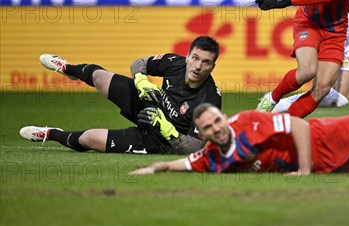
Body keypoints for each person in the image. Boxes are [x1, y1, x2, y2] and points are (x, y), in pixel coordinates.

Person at [129, 37, 349, 175]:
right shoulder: (213, 156)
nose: (217, 127)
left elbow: (300, 126)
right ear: (203, 133)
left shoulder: (247, 123)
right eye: (210, 128)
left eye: (218, 120)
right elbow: (181, 164)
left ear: (223, 116)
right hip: (325, 164)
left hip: (326, 137)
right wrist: (152, 169)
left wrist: (303, 171)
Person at [19, 36, 222, 155]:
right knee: (99, 77)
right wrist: (141, 80)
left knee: (89, 139)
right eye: (195, 58)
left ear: (213, 66)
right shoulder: (174, 63)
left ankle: (50, 134)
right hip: (147, 104)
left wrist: (167, 129)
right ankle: (68, 68)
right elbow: (138, 63)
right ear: (187, 57)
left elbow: (195, 147)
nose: (198, 66)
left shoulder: (210, 101)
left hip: (159, 141)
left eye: (206, 62)